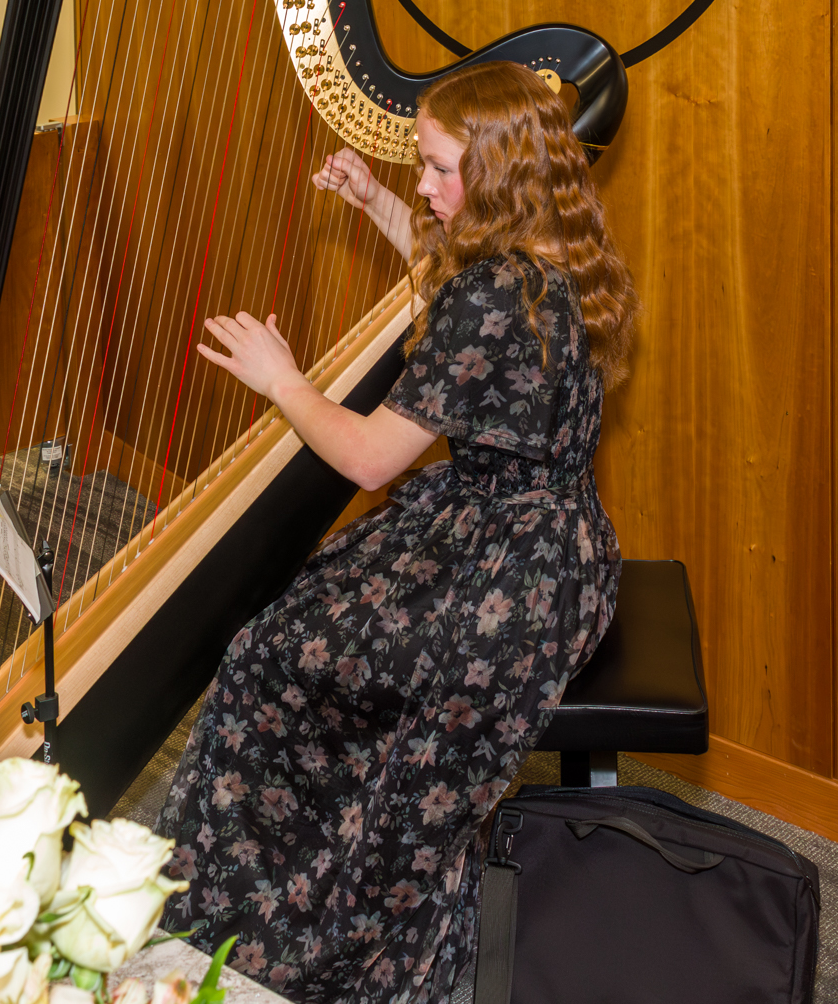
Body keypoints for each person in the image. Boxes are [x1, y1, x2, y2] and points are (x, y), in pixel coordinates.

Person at [158, 61, 639, 1004]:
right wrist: (375, 201)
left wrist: (282, 379)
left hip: (505, 582)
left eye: (438, 169)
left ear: (498, 175)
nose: (422, 186)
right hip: (561, 550)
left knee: (268, 659)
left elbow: (372, 458)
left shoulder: (492, 292)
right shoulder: (557, 247)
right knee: (306, 624)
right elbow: (459, 296)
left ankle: (300, 927)